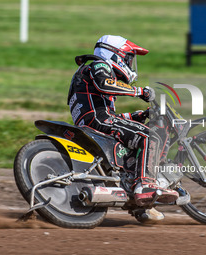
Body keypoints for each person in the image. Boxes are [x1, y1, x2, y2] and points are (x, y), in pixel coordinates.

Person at [67, 35, 179, 210]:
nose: (130, 63)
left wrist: (138, 115)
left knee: (138, 135)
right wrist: (139, 91)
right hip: (97, 121)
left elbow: (107, 113)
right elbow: (105, 85)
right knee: (150, 136)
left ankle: (138, 203)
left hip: (94, 121)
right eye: (128, 58)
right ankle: (146, 184)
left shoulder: (89, 72)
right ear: (114, 54)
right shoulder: (99, 65)